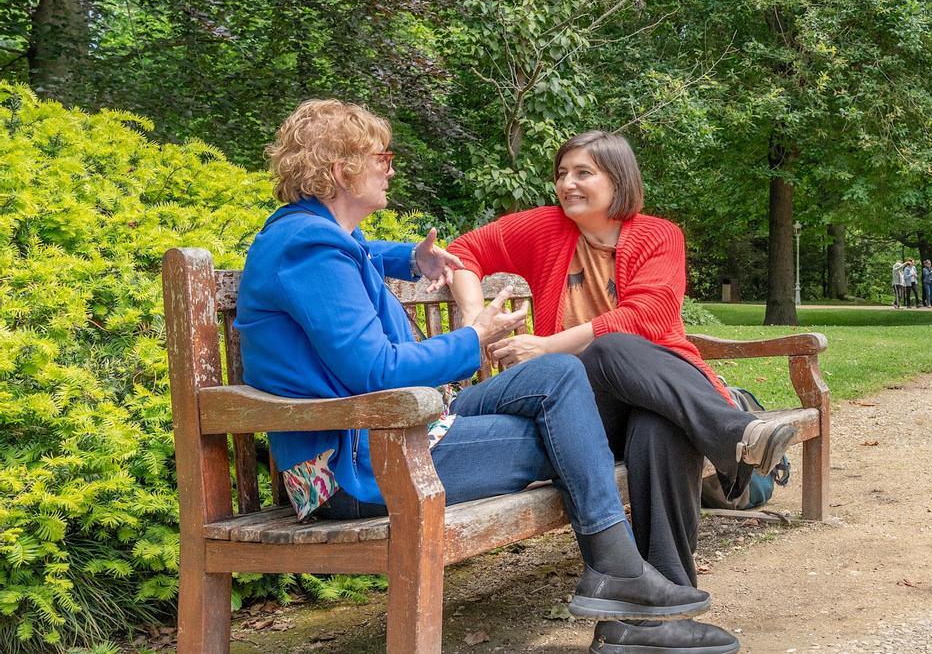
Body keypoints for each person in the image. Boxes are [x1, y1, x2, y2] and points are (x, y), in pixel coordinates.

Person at [234, 100, 711, 630]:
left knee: (559, 374)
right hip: (352, 467)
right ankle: (619, 568)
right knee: (578, 435)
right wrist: (473, 337)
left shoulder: (323, 237)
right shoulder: (309, 247)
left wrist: (412, 258)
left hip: (395, 433)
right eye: (381, 157)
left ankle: (620, 575)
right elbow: (375, 371)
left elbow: (361, 256)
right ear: (341, 169)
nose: (391, 168)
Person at [448, 130, 804, 653]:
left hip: (647, 400)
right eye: (562, 173)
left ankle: (649, 622)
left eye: (582, 173)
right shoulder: (546, 229)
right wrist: (474, 317)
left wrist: (548, 345)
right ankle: (733, 436)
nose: (567, 183)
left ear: (618, 179)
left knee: (661, 427)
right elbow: (462, 252)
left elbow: (650, 315)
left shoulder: (658, 235)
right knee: (609, 349)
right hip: (569, 412)